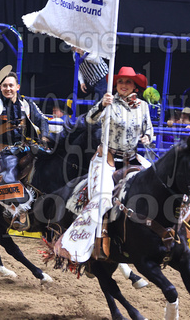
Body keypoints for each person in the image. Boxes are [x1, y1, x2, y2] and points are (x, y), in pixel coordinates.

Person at [57, 66, 153, 263]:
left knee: (157, 184)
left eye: (128, 82)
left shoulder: (143, 106)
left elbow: (149, 129)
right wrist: (101, 104)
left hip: (132, 157)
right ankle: (95, 241)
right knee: (103, 198)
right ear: (115, 85)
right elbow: (90, 119)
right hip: (107, 158)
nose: (123, 85)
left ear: (135, 86)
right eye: (120, 82)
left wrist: (147, 137)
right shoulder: (108, 102)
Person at [0, 66, 49, 231]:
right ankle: (20, 212)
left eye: (11, 85)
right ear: (1, 88)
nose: (8, 88)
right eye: (5, 86)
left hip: (28, 147)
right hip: (6, 152)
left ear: (17, 87)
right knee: (8, 177)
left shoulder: (27, 103)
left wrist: (44, 138)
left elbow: (43, 120)